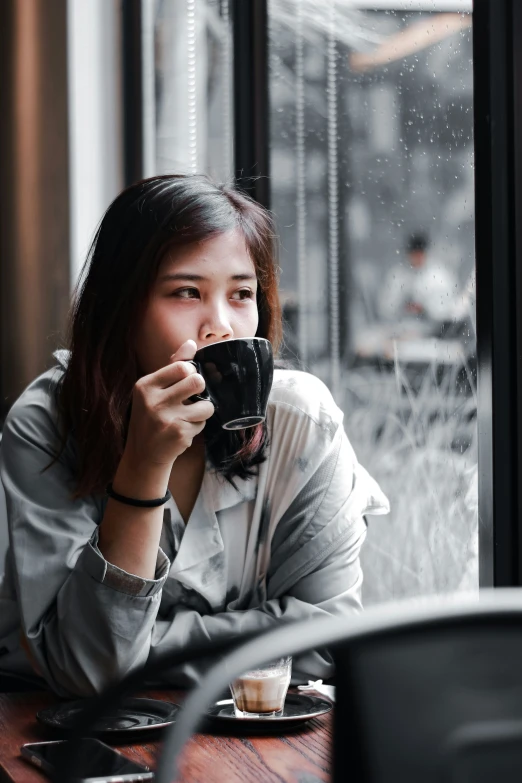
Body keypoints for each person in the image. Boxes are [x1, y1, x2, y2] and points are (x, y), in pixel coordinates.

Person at [0, 175, 389, 697]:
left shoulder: (302, 421)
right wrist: (142, 468)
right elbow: (92, 672)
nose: (220, 325)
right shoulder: (47, 423)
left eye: (242, 294)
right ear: (121, 310)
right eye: (186, 292)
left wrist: (142, 649)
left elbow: (330, 639)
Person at [378, 232, 458, 327]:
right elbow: (384, 308)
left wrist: (424, 308)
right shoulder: (397, 276)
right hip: (400, 329)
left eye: (419, 254)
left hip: (434, 332)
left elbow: (450, 309)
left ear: (426, 253)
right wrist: (403, 306)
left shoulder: (440, 276)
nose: (416, 258)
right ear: (407, 254)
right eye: (413, 254)